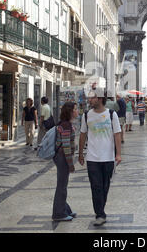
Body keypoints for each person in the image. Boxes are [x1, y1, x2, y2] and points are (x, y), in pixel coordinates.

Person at [78, 88, 122, 226]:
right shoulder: (86, 115)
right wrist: (80, 153)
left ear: (101, 99)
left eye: (92, 97)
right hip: (92, 158)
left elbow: (117, 134)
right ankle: (100, 214)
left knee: (105, 186)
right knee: (96, 186)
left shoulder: (111, 114)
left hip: (108, 157)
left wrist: (118, 154)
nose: (89, 100)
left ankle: (100, 209)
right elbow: (83, 134)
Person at [52, 102, 78, 222]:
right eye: (76, 109)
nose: (77, 111)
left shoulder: (64, 123)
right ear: (71, 111)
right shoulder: (66, 125)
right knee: (61, 186)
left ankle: (65, 209)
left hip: (61, 157)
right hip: (63, 157)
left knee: (62, 185)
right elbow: (66, 146)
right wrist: (70, 164)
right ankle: (59, 213)